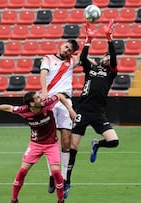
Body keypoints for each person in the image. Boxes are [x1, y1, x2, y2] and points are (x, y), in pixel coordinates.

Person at [0, 92, 76, 203]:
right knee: (21, 172)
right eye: (38, 98)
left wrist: (70, 110)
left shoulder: (47, 104)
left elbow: (59, 96)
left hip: (51, 144)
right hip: (35, 144)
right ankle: (14, 199)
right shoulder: (24, 110)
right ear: (31, 103)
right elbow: (9, 108)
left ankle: (60, 200)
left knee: (56, 174)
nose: (41, 98)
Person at [65, 19, 119, 199]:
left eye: (109, 58)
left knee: (114, 141)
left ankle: (96, 144)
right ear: (101, 58)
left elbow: (113, 55)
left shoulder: (111, 73)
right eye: (105, 56)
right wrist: (88, 39)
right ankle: (67, 181)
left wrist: (109, 37)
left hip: (98, 113)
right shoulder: (91, 69)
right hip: (82, 111)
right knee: (72, 148)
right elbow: (83, 58)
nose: (108, 58)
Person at [39, 39, 79, 193]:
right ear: (62, 45)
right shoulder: (48, 58)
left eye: (70, 50)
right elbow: (43, 74)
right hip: (49, 100)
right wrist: (43, 91)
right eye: (66, 46)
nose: (67, 50)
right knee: (49, 140)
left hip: (66, 101)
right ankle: (51, 174)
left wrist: (89, 38)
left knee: (66, 139)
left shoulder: (72, 61)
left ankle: (63, 176)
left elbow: (84, 56)